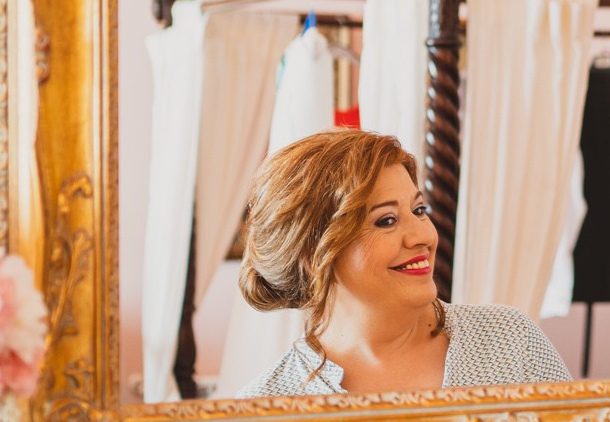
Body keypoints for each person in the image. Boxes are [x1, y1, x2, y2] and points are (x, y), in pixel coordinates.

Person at [237, 128, 570, 395]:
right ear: (312, 256)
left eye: (418, 210)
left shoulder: (509, 342)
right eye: (386, 221)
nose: (422, 236)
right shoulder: (270, 404)